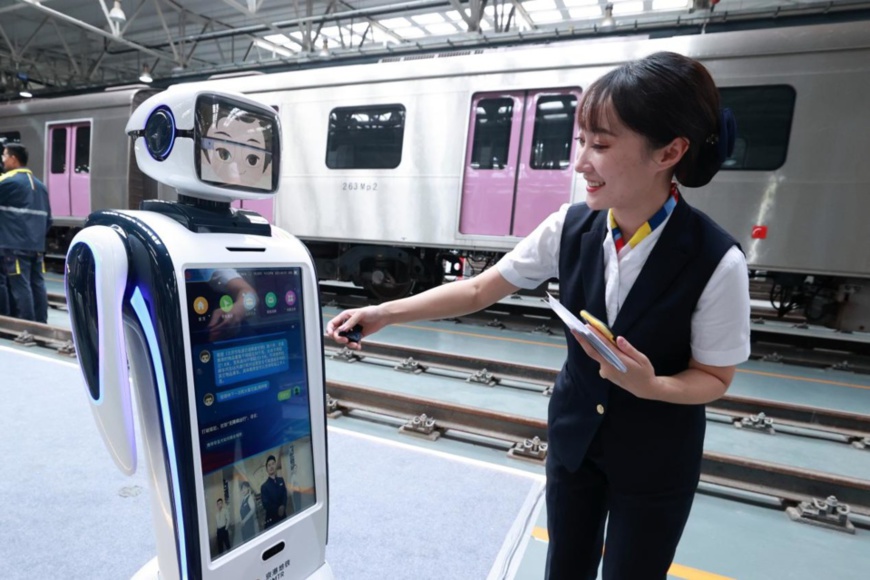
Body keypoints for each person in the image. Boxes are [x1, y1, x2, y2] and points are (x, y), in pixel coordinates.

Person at [325, 51, 750, 580]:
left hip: (657, 463)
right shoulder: (568, 228)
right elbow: (480, 288)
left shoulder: (717, 260)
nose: (581, 163)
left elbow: (714, 377)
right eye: (581, 142)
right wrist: (385, 311)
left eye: (600, 144)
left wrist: (653, 386)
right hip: (575, 446)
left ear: (670, 151)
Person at [0, 144, 52, 322]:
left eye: (5, 156)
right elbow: (49, 220)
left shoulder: (8, 182)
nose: (3, 160)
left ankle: (25, 325)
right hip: (36, 245)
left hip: (14, 245)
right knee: (37, 284)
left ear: (14, 159)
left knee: (20, 285)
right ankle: (40, 323)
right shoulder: (40, 186)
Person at [259, 455, 288, 529]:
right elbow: (266, 504)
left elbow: (285, 494)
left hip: (283, 516)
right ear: (266, 469)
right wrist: (278, 510)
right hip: (272, 520)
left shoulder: (281, 480)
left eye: (273, 464)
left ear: (275, 465)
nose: (271, 467)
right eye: (269, 465)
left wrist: (283, 506)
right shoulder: (264, 487)